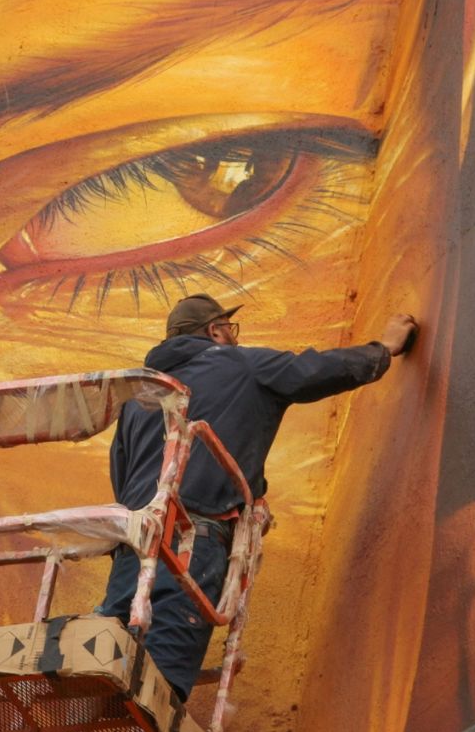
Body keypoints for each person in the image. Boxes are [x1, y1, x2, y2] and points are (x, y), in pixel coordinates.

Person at [98, 293, 419, 701]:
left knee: (115, 640)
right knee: (172, 635)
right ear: (215, 331)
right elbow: (314, 370)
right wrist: (383, 349)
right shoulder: (238, 364)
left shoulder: (140, 391)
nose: (233, 337)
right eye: (228, 329)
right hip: (194, 532)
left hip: (134, 536)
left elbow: (121, 471)